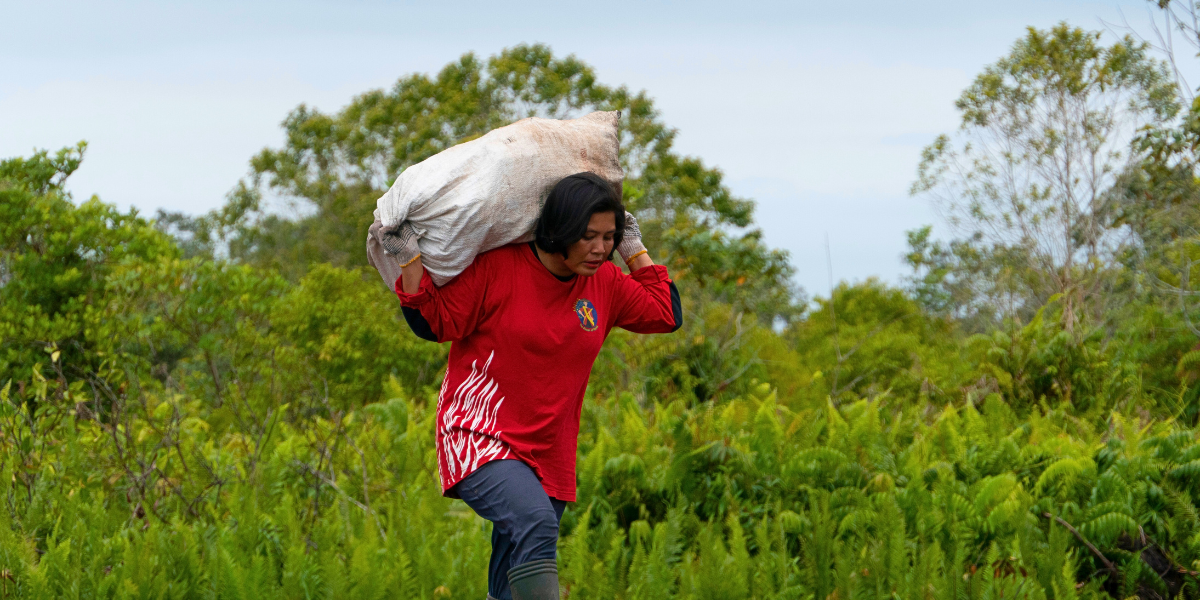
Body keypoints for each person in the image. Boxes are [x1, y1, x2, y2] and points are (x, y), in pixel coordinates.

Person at [366, 172, 681, 600]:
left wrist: (634, 248)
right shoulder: (500, 268)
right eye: (588, 236)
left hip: (549, 451)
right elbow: (433, 320)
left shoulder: (603, 283)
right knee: (535, 523)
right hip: (478, 435)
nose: (599, 248)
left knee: (512, 574)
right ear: (559, 230)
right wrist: (408, 260)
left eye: (608, 237)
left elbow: (666, 313)